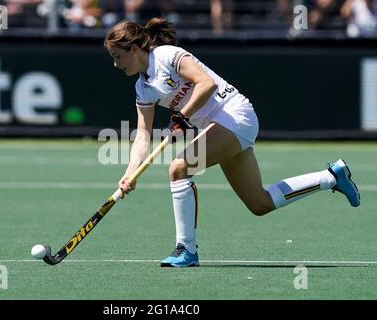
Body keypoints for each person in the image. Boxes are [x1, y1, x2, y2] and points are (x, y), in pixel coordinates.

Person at [104, 17, 361, 267]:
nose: (116, 65)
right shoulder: (143, 88)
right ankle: (331, 177)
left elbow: (206, 83)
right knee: (260, 203)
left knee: (178, 168)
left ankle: (186, 249)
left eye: (117, 56)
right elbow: (142, 134)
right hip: (217, 127)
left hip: (235, 115)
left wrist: (183, 115)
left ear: (135, 49)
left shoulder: (167, 55)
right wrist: (130, 174)